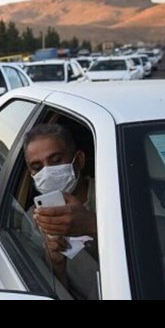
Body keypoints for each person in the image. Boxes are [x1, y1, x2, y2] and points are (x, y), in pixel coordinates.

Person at [23, 123, 98, 299]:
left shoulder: (114, 189)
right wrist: (56, 264)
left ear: (78, 160)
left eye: (56, 160)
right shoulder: (34, 220)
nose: (47, 172)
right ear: (31, 174)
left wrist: (93, 225)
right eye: (37, 167)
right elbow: (48, 292)